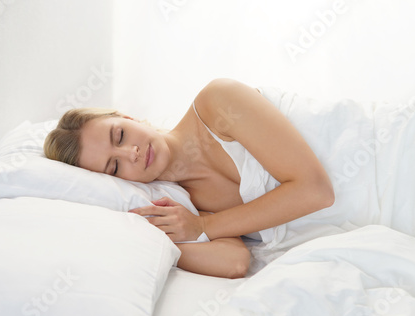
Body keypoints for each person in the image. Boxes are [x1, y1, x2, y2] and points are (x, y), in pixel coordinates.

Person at [44, 78, 335, 278]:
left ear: (128, 117)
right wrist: (152, 237)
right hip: (369, 212)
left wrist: (204, 226)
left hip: (371, 158)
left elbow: (316, 191)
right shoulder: (184, 201)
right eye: (114, 167)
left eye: (119, 135)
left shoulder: (217, 101)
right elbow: (234, 262)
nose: (131, 153)